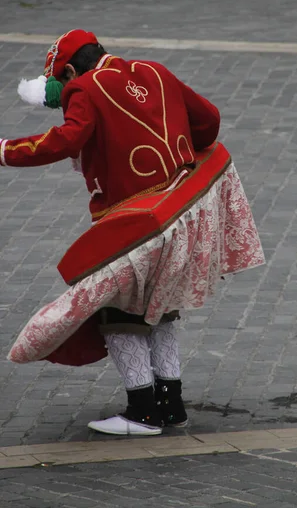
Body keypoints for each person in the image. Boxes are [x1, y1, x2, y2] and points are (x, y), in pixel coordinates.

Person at [5, 29, 265, 436]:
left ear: (71, 70)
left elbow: (65, 140)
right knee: (158, 309)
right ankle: (171, 405)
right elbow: (210, 119)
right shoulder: (153, 70)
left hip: (133, 222)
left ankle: (142, 412)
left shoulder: (84, 89)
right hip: (179, 212)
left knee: (116, 311)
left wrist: (5, 150)